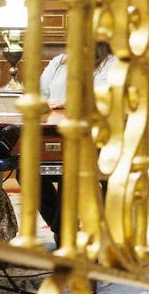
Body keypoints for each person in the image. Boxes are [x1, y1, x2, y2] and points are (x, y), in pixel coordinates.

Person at [35, 41, 114, 243]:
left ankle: (64, 236)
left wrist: (69, 103)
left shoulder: (110, 63)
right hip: (51, 135)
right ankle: (60, 227)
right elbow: (40, 93)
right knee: (26, 171)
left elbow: (103, 98)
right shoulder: (58, 62)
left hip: (90, 138)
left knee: (66, 170)